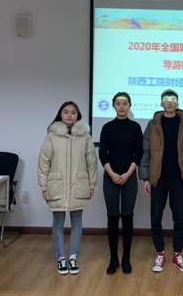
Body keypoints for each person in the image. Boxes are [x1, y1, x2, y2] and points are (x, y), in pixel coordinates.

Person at [139, 89, 183, 273]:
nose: (169, 102)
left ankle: (177, 255)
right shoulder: (153, 124)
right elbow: (146, 151)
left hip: (179, 178)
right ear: (161, 103)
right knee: (155, 217)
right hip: (158, 178)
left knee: (179, 218)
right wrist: (145, 177)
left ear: (177, 103)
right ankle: (160, 254)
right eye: (166, 99)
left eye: (173, 99)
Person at [38, 101, 98, 275]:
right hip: (56, 185)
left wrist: (92, 184)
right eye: (66, 112)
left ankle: (73, 256)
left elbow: (92, 162)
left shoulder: (85, 136)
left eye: (73, 112)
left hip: (79, 184)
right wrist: (43, 186)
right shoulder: (52, 136)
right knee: (58, 222)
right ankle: (60, 257)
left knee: (77, 222)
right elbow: (43, 162)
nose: (70, 115)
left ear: (78, 115)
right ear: (60, 114)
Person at [99, 92, 143, 275]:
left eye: (125, 103)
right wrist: (112, 174)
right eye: (118, 103)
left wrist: (127, 174)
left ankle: (126, 258)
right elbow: (103, 154)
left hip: (129, 176)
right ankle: (113, 259)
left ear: (129, 106)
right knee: (112, 217)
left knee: (127, 217)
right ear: (114, 106)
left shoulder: (135, 127)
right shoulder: (107, 127)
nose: (122, 106)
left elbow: (138, 153)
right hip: (110, 176)